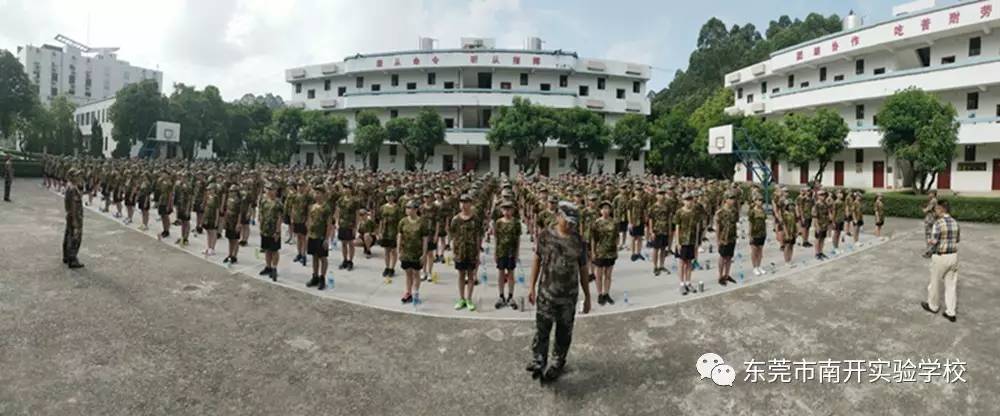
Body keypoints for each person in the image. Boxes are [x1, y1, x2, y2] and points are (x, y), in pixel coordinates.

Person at [526, 201, 591, 382]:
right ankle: (539, 360)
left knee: (564, 332)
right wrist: (531, 286)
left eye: (573, 223)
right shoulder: (545, 236)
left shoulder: (578, 241)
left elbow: (584, 269)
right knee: (542, 330)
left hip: (568, 298)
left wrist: (587, 296)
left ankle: (557, 362)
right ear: (558, 216)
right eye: (568, 221)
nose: (570, 226)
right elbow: (537, 260)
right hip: (546, 294)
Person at [921, 199, 960, 322]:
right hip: (953, 256)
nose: (935, 211)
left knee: (935, 283)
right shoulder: (955, 222)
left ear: (942, 209)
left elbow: (933, 242)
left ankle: (933, 306)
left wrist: (929, 243)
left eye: (937, 209)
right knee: (951, 285)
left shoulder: (938, 223)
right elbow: (957, 240)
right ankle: (951, 312)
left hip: (940, 256)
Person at [449, 194, 480, 311]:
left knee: (471, 276)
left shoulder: (475, 219)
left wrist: (477, 254)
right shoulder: (455, 219)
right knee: (461, 275)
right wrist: (453, 252)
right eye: (461, 202)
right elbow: (452, 236)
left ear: (470, 204)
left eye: (466, 202)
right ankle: (461, 298)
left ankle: (469, 299)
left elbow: (478, 237)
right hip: (460, 252)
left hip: (471, 252)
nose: (463, 205)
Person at [397, 200, 428, 304]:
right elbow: (400, 236)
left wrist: (424, 254)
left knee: (416, 273)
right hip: (406, 252)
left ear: (416, 209)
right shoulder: (403, 221)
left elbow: (425, 239)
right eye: (407, 208)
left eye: (410, 208)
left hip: (417, 252)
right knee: (408, 273)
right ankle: (408, 292)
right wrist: (399, 250)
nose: (408, 210)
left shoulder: (422, 222)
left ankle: (416, 293)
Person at [493, 200, 521, 309]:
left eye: (509, 209)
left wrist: (517, 253)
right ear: (501, 210)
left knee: (511, 274)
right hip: (501, 251)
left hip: (511, 252)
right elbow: (496, 238)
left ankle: (510, 296)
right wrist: (495, 252)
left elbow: (518, 239)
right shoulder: (498, 222)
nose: (506, 211)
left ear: (513, 210)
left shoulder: (516, 223)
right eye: (504, 209)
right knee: (500, 273)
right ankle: (501, 296)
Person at [672, 192, 701, 295]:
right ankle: (681, 283)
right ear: (683, 201)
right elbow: (677, 227)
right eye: (686, 200)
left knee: (689, 263)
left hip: (692, 240)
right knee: (681, 263)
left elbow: (697, 227)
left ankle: (688, 282)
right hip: (682, 241)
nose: (689, 202)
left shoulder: (695, 212)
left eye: (690, 199)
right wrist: (677, 242)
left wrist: (697, 241)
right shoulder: (679, 212)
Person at [591, 200, 619, 305]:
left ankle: (606, 293)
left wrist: (616, 249)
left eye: (607, 208)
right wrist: (593, 252)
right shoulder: (596, 223)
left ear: (610, 210)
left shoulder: (614, 222)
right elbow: (594, 239)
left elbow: (616, 237)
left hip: (611, 252)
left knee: (608, 275)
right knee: (599, 275)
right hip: (600, 252)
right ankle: (599, 294)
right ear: (600, 210)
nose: (605, 210)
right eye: (603, 208)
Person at [306, 184, 333, 290]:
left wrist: (327, 239)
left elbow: (329, 224)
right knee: (314, 257)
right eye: (315, 193)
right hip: (312, 236)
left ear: (323, 194)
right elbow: (309, 220)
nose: (316, 195)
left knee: (323, 258)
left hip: (321, 236)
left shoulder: (326, 208)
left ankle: (322, 278)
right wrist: (308, 233)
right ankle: (315, 276)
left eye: (318, 193)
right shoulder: (312, 207)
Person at [258, 182, 283, 281]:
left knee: (274, 250)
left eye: (272, 189)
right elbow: (261, 214)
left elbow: (280, 218)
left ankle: (274, 268)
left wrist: (277, 231)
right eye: (268, 189)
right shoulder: (264, 201)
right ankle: (268, 267)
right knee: (267, 249)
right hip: (265, 229)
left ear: (276, 191)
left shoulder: (278, 203)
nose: (270, 191)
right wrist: (260, 227)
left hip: (274, 231)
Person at [714, 191, 738, 286]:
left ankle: (727, 275)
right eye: (731, 198)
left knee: (729, 257)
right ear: (726, 199)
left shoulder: (734, 211)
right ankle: (720, 276)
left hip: (732, 237)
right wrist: (717, 240)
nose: (733, 201)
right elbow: (718, 227)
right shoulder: (720, 212)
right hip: (723, 238)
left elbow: (735, 223)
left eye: (733, 198)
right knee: (722, 257)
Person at [335, 182, 360, 271]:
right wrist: (337, 223)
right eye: (345, 188)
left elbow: (357, 215)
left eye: (348, 188)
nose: (346, 190)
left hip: (350, 225)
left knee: (351, 244)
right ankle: (344, 260)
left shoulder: (355, 201)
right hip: (342, 224)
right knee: (343, 243)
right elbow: (337, 212)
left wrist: (356, 227)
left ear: (351, 189)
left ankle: (350, 261)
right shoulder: (340, 200)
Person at [63, 169, 84, 269]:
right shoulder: (73, 189)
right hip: (75, 216)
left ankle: (66, 256)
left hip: (70, 216)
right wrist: (75, 220)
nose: (79, 177)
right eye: (76, 176)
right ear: (71, 177)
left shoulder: (69, 186)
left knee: (68, 235)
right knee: (75, 238)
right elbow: (73, 205)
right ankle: (72, 259)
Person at [379, 189, 402, 279]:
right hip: (385, 231)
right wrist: (380, 231)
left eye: (390, 195)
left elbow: (400, 222)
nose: (389, 197)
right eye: (387, 195)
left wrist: (399, 233)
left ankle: (392, 268)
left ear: (394, 196)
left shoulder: (397, 208)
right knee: (386, 251)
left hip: (393, 231)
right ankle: (387, 267)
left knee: (393, 251)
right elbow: (381, 220)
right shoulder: (383, 207)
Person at [747, 198, 767, 275]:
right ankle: (754, 267)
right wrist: (750, 234)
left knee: (760, 250)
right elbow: (750, 223)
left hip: (762, 233)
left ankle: (759, 266)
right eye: (758, 200)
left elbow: (764, 222)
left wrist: (765, 232)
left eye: (761, 200)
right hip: (754, 233)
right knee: (754, 250)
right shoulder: (752, 211)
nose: (760, 202)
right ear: (755, 201)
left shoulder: (763, 211)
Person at [812, 190, 832, 260]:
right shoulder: (816, 205)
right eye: (821, 195)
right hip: (819, 224)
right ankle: (817, 253)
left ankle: (821, 251)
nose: (822, 196)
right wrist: (817, 226)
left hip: (825, 224)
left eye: (823, 195)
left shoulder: (825, 204)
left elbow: (828, 212)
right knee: (818, 239)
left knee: (823, 238)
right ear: (818, 196)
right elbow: (815, 217)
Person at [922, 190, 938, 258]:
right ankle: (932, 250)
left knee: (929, 235)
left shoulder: (933, 201)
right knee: (931, 235)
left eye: (930, 194)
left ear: (933, 194)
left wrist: (924, 209)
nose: (928, 195)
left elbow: (927, 209)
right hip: (932, 219)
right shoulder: (934, 200)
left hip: (930, 220)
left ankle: (929, 251)